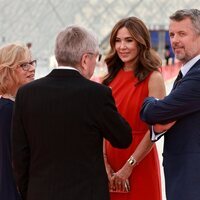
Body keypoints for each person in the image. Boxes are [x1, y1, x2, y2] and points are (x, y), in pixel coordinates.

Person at [11, 25, 132, 200]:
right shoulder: (97, 94)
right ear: (85, 59)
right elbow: (123, 138)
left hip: (40, 193)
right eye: (96, 57)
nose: (96, 62)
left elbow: (20, 157)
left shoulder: (27, 93)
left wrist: (29, 192)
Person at [102, 17, 166, 200]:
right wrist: (104, 162)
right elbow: (101, 125)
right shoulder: (109, 79)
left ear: (141, 42)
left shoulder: (154, 78)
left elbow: (156, 127)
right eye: (118, 40)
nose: (122, 46)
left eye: (129, 40)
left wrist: (130, 165)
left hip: (141, 161)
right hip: (111, 164)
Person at [140, 9, 200, 200]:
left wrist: (151, 101)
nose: (174, 40)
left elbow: (154, 114)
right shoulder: (187, 72)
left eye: (182, 34)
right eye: (172, 34)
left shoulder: (197, 76)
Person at [0, 42, 36, 200]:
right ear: (7, 71)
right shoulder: (9, 111)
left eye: (32, 63)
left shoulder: (9, 107)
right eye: (24, 65)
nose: (32, 68)